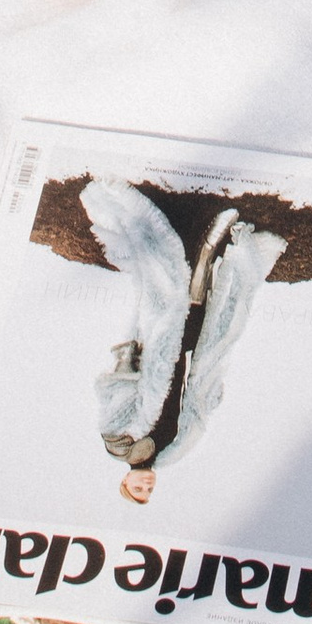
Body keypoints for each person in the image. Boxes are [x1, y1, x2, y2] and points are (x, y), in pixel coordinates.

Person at [88, 185, 283, 497]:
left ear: (126, 482)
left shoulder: (119, 445)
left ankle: (209, 235)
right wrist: (211, 389)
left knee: (176, 293)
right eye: (148, 492)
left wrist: (129, 358)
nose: (146, 486)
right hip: (188, 361)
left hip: (157, 350)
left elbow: (115, 390)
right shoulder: (172, 450)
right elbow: (196, 409)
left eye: (138, 488)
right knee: (208, 306)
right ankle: (219, 244)